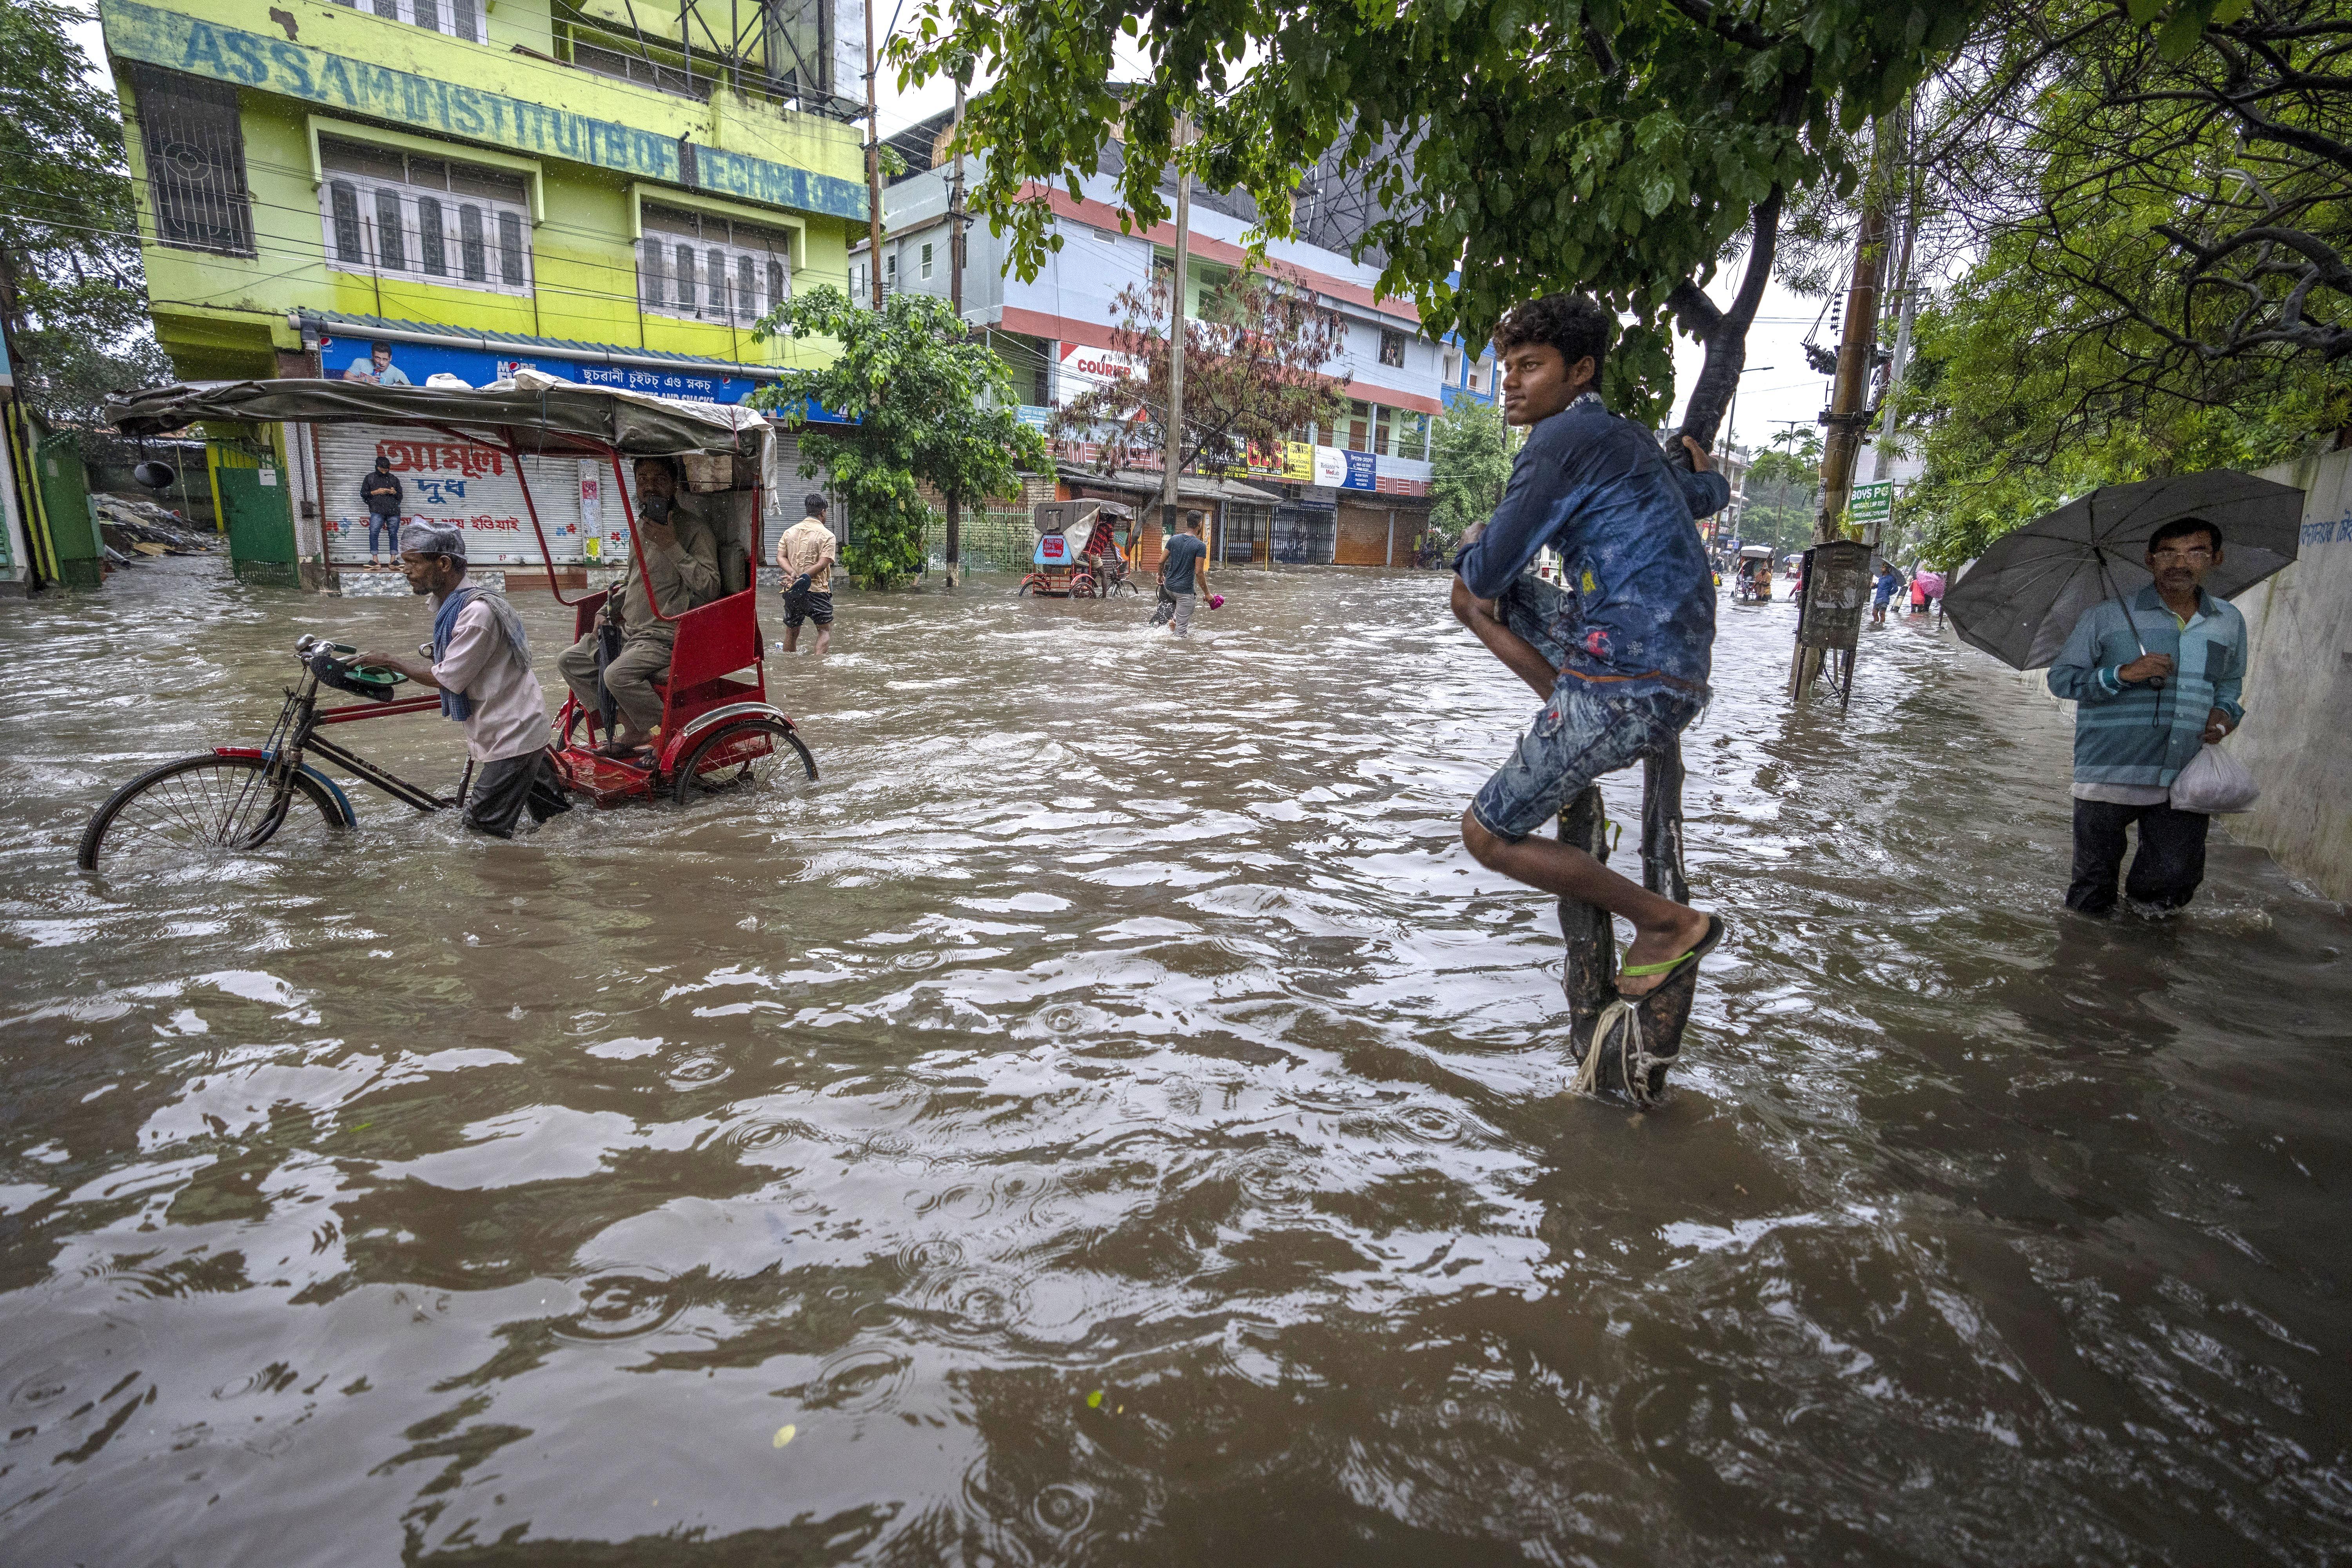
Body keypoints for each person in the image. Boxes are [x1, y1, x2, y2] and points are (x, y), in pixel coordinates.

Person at [1451, 292, 1729, 1001]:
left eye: (1530, 366)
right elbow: (1700, 495)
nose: (1511, 381)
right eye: (1507, 366)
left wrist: (1476, 541)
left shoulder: (1556, 444)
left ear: (1581, 372)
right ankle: (1569, 714)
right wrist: (1711, 477)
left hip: (1631, 679)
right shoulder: (1626, 437)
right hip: (1672, 662)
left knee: (1486, 835)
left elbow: (1486, 573)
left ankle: (1664, 923)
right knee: (1503, 601)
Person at [2046, 515, 2247, 915]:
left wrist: (2224, 715)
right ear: (2150, 559)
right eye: (2168, 553)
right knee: (2091, 893)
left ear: (2216, 559)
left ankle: (2143, 969)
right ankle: (2087, 966)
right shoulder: (2104, 616)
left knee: (2169, 889)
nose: (2180, 562)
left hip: (2184, 774)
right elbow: (2062, 680)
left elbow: (2229, 682)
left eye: (2195, 552)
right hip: (2108, 768)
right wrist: (2122, 674)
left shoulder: (2228, 621)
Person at [354, 523, 570, 838]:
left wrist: (391, 661)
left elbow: (449, 678)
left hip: (512, 733)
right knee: (555, 820)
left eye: (414, 562)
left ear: (443, 564)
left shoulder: (477, 613)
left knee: (481, 832)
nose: (406, 570)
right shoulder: (451, 605)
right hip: (509, 723)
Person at [555, 457, 721, 755]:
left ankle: (667, 735)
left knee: (617, 675)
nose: (649, 486)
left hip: (665, 634)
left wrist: (671, 545)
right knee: (571, 660)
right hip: (631, 629)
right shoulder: (640, 529)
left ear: (674, 485)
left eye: (658, 479)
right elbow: (634, 580)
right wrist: (606, 609)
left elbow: (710, 588)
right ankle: (634, 727)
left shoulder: (695, 530)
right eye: (642, 479)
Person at [776, 492, 838, 656]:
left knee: (792, 631)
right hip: (817, 591)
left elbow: (780, 557)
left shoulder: (789, 532)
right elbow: (823, 563)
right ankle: (819, 668)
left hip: (792, 589)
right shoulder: (828, 536)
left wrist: (793, 574)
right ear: (823, 512)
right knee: (824, 631)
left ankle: (790, 668)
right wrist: (804, 577)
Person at [1154, 511, 1210, 636]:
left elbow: (1161, 561)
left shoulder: (1173, 540)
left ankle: (1174, 621)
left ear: (1187, 523)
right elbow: (1199, 572)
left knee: (1179, 617)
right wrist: (1207, 593)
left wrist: (1160, 575)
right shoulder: (1200, 546)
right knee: (1181, 636)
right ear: (1200, 525)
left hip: (1169, 588)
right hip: (1184, 592)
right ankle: (1177, 630)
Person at [359, 456, 404, 569]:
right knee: (374, 533)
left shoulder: (394, 479)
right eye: (382, 469)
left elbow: (400, 496)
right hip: (377, 511)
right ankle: (375, 561)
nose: (384, 471)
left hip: (393, 512)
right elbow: (363, 494)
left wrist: (394, 492)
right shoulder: (370, 478)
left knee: (393, 534)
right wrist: (375, 492)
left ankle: (393, 561)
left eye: (386, 469)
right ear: (377, 467)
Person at [342, 342, 413, 386]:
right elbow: (345, 379)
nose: (381, 363)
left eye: (385, 359)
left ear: (390, 358)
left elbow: (410, 390)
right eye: (378, 358)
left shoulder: (397, 372)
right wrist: (364, 380)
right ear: (372, 356)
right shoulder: (360, 362)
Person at [1871, 560, 1902, 626]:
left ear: (1887, 569)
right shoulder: (1881, 577)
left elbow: (1896, 588)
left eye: (1883, 567)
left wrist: (1888, 594)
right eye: (1881, 567)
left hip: (1884, 599)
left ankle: (1882, 626)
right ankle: (1876, 625)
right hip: (1878, 598)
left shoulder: (1891, 578)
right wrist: (1874, 586)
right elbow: (1879, 586)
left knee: (1882, 614)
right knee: (1874, 613)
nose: (1881, 569)